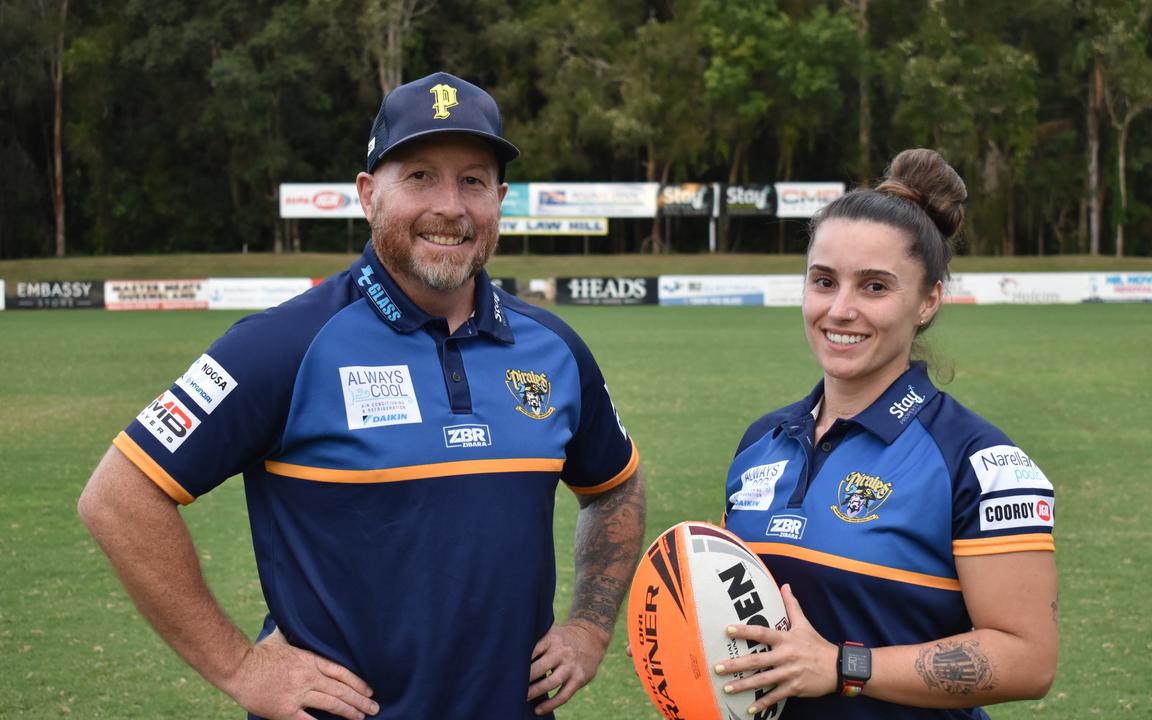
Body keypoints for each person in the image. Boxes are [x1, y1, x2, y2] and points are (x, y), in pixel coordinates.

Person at [78, 71, 646, 720]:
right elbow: (120, 496)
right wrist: (240, 667)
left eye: (473, 180)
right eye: (421, 176)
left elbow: (616, 487)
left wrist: (590, 628)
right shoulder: (284, 344)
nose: (451, 207)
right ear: (369, 195)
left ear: (500, 199)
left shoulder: (555, 349)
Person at [712, 149, 1057, 718]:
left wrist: (842, 667)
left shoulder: (977, 461)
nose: (840, 309)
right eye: (824, 281)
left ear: (928, 302)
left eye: (875, 287)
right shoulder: (761, 442)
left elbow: (1029, 659)